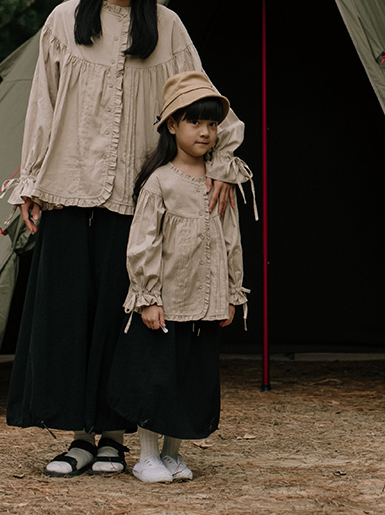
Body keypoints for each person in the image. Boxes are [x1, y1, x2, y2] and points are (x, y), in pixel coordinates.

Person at [5, 0, 246, 478]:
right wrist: (31, 180)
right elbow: (42, 105)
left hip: (135, 203)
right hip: (68, 192)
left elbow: (204, 102)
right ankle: (78, 439)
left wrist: (221, 161)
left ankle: (114, 438)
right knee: (69, 318)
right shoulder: (64, 21)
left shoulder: (168, 29)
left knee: (122, 323)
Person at [107, 70, 253, 483]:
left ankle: (173, 454)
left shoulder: (220, 183)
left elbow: (231, 239)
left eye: (212, 124)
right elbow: (142, 243)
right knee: (157, 379)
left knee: (190, 379)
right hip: (167, 303)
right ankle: (147, 456)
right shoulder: (161, 182)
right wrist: (148, 297)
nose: (205, 132)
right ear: (172, 125)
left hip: (204, 305)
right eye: (195, 122)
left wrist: (232, 292)